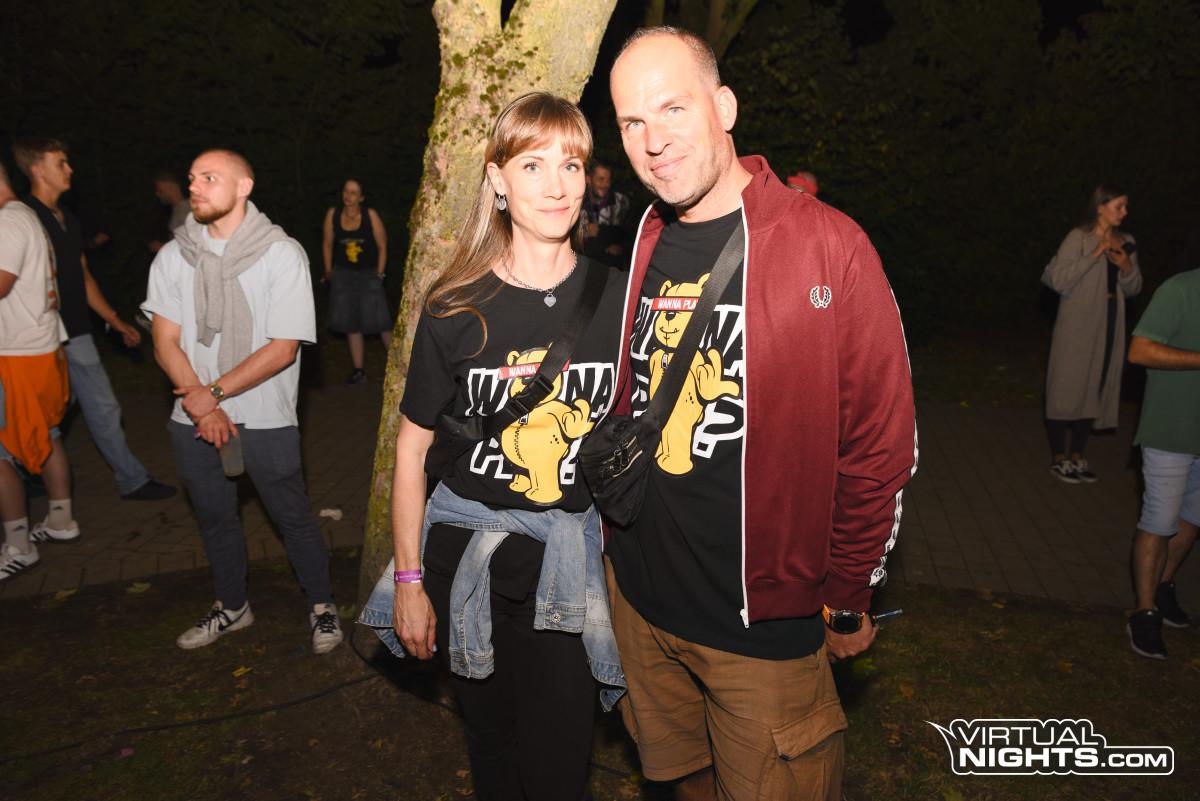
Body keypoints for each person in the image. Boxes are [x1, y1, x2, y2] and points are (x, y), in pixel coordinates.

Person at [604, 27, 916, 800]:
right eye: (631, 121)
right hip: (640, 601)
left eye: (672, 108)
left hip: (760, 629)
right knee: (682, 777)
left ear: (724, 107)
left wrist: (847, 595)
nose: (652, 141)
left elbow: (880, 444)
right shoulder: (647, 231)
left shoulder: (828, 246)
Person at [378, 93, 626, 801]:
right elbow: (411, 453)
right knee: (492, 750)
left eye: (571, 165)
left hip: (567, 560)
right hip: (467, 560)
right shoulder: (456, 306)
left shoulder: (618, 296)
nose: (557, 185)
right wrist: (408, 582)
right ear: (497, 179)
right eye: (533, 165)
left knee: (558, 766)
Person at [141, 149, 342, 655]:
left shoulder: (281, 254)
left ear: (244, 186)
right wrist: (203, 406)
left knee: (291, 516)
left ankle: (322, 605)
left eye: (210, 178)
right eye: (192, 178)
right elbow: (165, 341)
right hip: (191, 416)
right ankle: (232, 606)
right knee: (215, 518)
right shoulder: (174, 256)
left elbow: (283, 348)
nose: (195, 187)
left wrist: (211, 395)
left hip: (264, 414)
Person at [12, 137, 176, 502]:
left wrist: (115, 321)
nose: (70, 169)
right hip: (37, 338)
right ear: (37, 170)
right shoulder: (22, 218)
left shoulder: (67, 219)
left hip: (77, 334)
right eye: (61, 163)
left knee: (101, 406)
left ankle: (131, 480)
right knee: (42, 414)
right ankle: (24, 468)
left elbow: (83, 277)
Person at [0, 161, 79, 580]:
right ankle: (61, 519)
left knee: (1, 450)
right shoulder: (26, 216)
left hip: (17, 352)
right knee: (47, 434)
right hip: (40, 346)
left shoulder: (8, 221)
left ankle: (17, 545)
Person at [1041, 184, 1142, 483]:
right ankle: (1059, 457)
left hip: (1110, 320)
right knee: (1066, 383)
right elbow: (1057, 279)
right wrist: (1094, 254)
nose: (1124, 212)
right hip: (1077, 321)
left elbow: (1134, 288)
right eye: (1118, 206)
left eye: (1125, 206)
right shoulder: (1079, 238)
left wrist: (1126, 267)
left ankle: (1077, 455)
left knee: (1095, 382)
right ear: (1100, 207)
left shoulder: (1126, 242)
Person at [1124, 266, 1200, 659]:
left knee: (1192, 519)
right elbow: (1139, 350)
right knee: (1159, 521)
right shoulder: (1181, 289)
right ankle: (1144, 611)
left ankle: (1163, 585)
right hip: (1170, 431)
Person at [321, 179, 392, 385]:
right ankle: (359, 370)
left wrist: (380, 274)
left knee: (382, 322)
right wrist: (329, 272)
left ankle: (401, 366)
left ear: (361, 197)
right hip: (343, 274)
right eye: (346, 191)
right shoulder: (333, 215)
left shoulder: (370, 216)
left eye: (353, 192)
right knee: (350, 324)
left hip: (369, 274)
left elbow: (382, 245)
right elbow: (327, 244)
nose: (348, 195)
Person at [578, 159, 631, 265]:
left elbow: (632, 233)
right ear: (588, 179)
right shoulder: (577, 203)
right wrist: (583, 232)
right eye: (601, 179)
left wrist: (622, 248)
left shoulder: (621, 202)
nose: (605, 184)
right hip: (583, 263)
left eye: (608, 180)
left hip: (612, 266)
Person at [148, 169, 189, 254]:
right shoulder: (178, 210)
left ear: (169, 187)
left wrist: (162, 248)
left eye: (160, 190)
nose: (157, 194)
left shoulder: (186, 210)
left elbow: (190, 245)